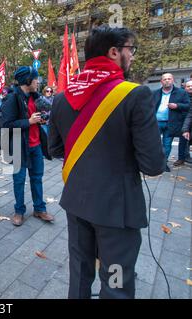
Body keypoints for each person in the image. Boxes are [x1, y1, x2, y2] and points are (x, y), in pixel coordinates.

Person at [48, 26, 165, 299]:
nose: (132, 56)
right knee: (115, 284)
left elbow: (54, 148)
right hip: (116, 211)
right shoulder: (135, 95)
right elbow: (153, 165)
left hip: (76, 202)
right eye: (130, 50)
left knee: (79, 276)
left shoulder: (61, 98)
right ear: (114, 52)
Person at [1, 67, 53, 227]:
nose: (38, 82)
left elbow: (42, 114)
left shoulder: (36, 97)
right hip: (18, 147)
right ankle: (19, 211)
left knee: (37, 178)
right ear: (28, 80)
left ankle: (39, 208)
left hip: (36, 145)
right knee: (19, 180)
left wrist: (41, 120)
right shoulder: (12, 99)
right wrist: (28, 122)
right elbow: (5, 125)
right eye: (36, 79)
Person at [153, 73, 190, 171]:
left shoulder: (181, 93)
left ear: (173, 80)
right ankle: (153, 163)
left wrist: (177, 106)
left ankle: (163, 164)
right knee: (154, 143)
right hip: (156, 122)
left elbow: (188, 106)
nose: (167, 80)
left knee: (167, 144)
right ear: (161, 81)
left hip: (171, 123)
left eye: (169, 79)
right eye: (164, 79)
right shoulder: (155, 93)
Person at [181, 80, 192, 160]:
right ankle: (184, 157)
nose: (190, 87)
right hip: (184, 122)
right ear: (185, 88)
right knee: (185, 141)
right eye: (188, 86)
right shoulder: (181, 96)